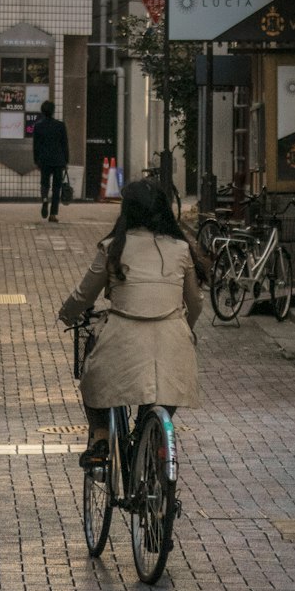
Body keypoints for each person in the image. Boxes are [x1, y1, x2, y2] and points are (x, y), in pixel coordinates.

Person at [58, 179, 206, 468]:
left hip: (121, 339)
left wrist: (67, 313)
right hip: (172, 341)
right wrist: (184, 326)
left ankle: (100, 437)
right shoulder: (180, 249)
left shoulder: (113, 248)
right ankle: (150, 438)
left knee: (92, 376)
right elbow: (196, 302)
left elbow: (83, 295)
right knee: (163, 398)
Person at [32, 99, 69, 223]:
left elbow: (36, 146)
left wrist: (36, 160)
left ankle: (44, 200)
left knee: (44, 183)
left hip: (44, 160)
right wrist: (66, 161)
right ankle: (53, 214)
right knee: (56, 188)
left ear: (42, 111)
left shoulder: (38, 126)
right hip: (58, 160)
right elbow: (65, 144)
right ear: (53, 111)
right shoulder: (60, 125)